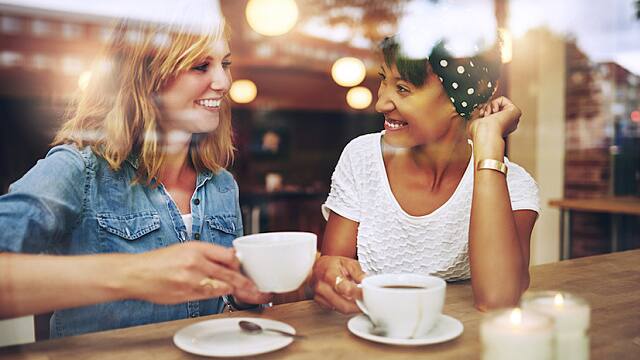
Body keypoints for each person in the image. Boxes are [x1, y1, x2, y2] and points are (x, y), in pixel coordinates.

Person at [0, 3, 270, 337]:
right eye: (201, 66)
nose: (223, 82)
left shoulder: (221, 183)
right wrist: (134, 273)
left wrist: (243, 297)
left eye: (224, 64)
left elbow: (219, 305)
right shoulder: (78, 170)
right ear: (146, 77)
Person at [312, 34, 540, 313]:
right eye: (384, 80)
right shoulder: (362, 158)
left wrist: (489, 144)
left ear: (460, 101)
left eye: (403, 89)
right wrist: (324, 274)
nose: (381, 103)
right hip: (372, 337)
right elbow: (335, 277)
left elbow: (497, 301)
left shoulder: (512, 184)